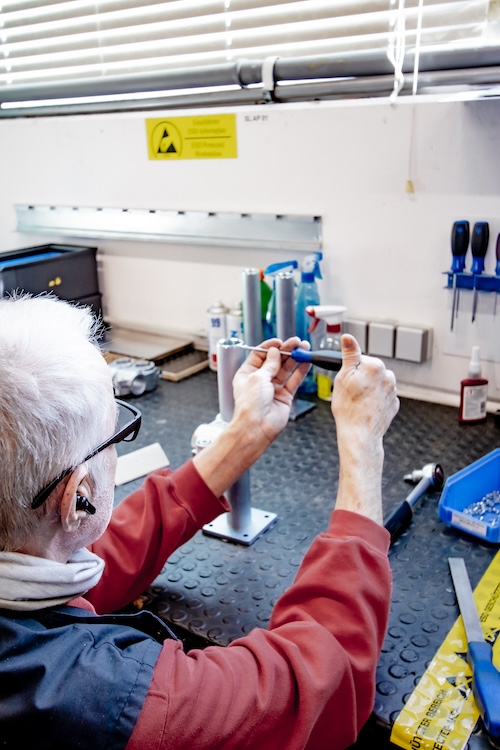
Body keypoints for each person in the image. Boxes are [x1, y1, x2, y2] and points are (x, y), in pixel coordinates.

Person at [0, 293, 399, 750]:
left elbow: (85, 553)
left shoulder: (17, 558)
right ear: (78, 498)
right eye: (116, 433)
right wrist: (363, 444)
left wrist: (244, 435)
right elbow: (319, 683)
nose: (118, 447)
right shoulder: (113, 702)